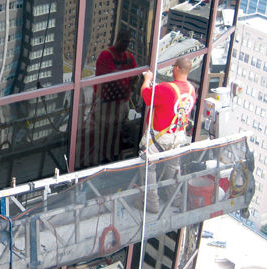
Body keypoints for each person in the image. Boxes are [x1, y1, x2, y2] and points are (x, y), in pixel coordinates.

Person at [138, 57, 197, 215]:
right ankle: (174, 197)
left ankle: (152, 203)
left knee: (148, 165)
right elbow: (173, 102)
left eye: (173, 67)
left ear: (177, 68)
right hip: (177, 136)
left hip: (160, 136)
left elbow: (146, 95)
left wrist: (147, 80)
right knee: (172, 165)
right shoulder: (191, 90)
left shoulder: (167, 88)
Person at [80, 31, 138, 166]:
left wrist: (132, 79)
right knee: (101, 130)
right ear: (118, 40)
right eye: (125, 41)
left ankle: (111, 154)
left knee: (118, 129)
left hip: (122, 102)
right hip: (106, 103)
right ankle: (99, 157)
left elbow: (134, 74)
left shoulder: (129, 57)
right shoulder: (106, 55)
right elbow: (113, 76)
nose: (126, 45)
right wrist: (130, 77)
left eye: (129, 42)